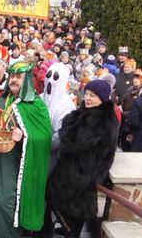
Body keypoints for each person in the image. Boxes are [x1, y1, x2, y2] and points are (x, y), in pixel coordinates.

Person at [0, 61, 52, 237]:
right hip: (0, 159)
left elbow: (44, 137)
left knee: (9, 200)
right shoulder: (6, 100)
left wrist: (25, 137)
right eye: (12, 76)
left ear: (27, 80)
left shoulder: (37, 105)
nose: (13, 80)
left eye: (18, 77)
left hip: (20, 163)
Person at [47, 80, 119, 238]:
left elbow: (75, 140)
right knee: (62, 211)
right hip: (69, 175)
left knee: (72, 220)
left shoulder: (102, 120)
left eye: (92, 95)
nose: (87, 98)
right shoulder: (84, 112)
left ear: (102, 98)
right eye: (86, 94)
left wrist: (86, 177)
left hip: (82, 178)